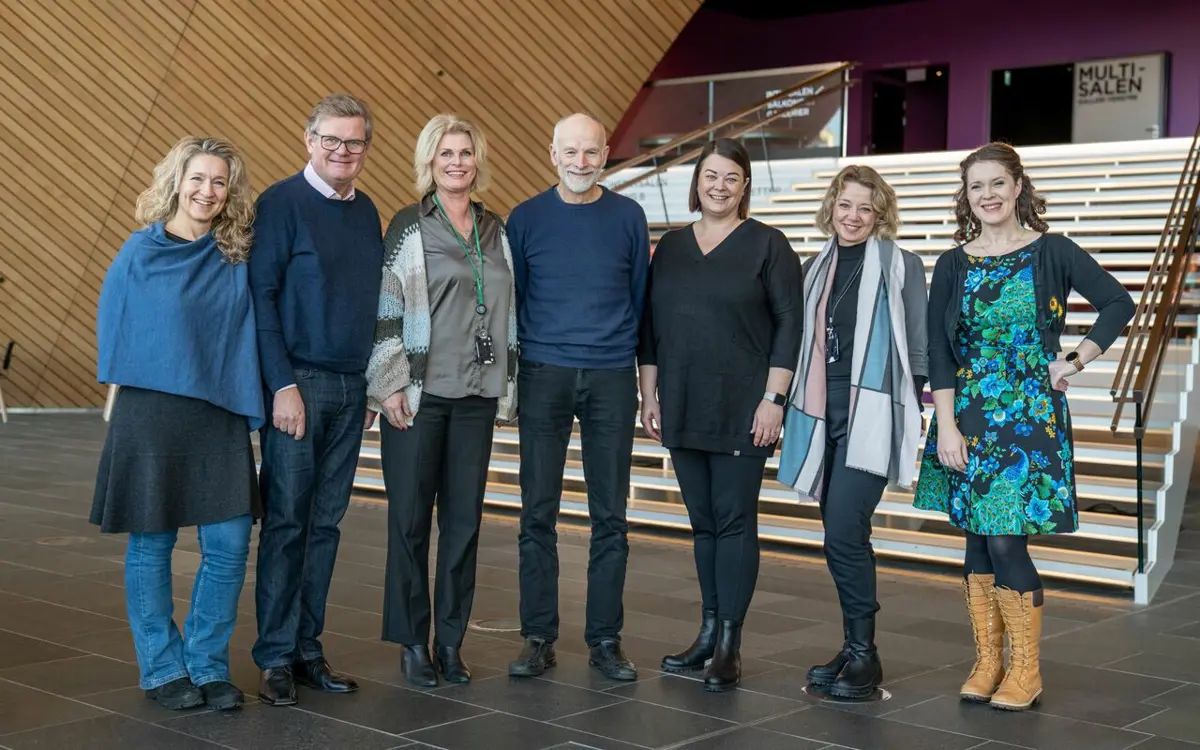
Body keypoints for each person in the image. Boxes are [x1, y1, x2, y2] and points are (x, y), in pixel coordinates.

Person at [914, 142, 1134, 711]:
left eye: (996, 184)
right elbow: (939, 350)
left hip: (1029, 417)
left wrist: (1077, 359)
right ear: (966, 195)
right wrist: (945, 426)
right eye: (975, 186)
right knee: (976, 538)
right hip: (967, 415)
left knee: (1006, 537)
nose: (986, 195)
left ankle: (1026, 671)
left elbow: (1117, 303)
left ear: (1018, 187)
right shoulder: (952, 263)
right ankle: (988, 662)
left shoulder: (1052, 251)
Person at [92, 136, 261, 712]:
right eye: (198, 178)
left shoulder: (235, 252)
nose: (207, 191)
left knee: (230, 543)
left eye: (219, 182)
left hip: (218, 408)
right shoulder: (140, 251)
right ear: (176, 181)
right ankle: (163, 668)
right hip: (153, 410)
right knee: (152, 543)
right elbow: (116, 329)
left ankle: (208, 662)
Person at [638, 138, 802, 692]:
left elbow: (789, 327)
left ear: (745, 185)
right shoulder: (673, 248)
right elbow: (650, 329)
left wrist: (773, 401)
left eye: (732, 177)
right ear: (697, 181)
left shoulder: (768, 245)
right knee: (703, 523)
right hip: (683, 401)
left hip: (743, 406)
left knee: (734, 522)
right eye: (711, 175)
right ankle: (707, 631)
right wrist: (650, 394)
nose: (720, 185)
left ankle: (730, 641)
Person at [366, 114, 518, 687]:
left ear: (478, 161)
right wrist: (389, 385)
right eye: (446, 154)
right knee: (409, 522)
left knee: (464, 523)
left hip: (476, 395)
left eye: (466, 153)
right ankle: (412, 641)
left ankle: (450, 641)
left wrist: (509, 382)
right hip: (418, 397)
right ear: (429, 162)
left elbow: (508, 308)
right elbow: (385, 311)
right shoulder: (409, 225)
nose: (457, 163)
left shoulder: (494, 227)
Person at [248, 92, 385, 706]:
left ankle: (308, 650)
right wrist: (281, 386)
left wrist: (376, 383)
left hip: (353, 388)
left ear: (365, 149)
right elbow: (262, 301)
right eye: (331, 139)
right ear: (309, 140)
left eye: (353, 142)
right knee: (285, 524)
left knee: (325, 525)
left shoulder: (367, 211)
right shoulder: (280, 204)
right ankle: (275, 656)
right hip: (298, 387)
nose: (341, 151)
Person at [505, 113, 650, 681]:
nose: (581, 162)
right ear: (552, 154)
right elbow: (513, 301)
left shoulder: (628, 217)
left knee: (609, 515)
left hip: (613, 374)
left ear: (606, 153)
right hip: (545, 373)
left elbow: (642, 300)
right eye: (571, 152)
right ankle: (538, 636)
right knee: (536, 511)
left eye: (591, 152)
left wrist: (645, 378)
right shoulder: (526, 219)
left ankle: (605, 640)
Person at [776, 165, 928, 700]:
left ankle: (866, 655)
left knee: (843, 531)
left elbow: (917, 345)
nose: (853, 217)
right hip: (822, 414)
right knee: (841, 538)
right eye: (845, 206)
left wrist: (920, 407)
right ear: (831, 209)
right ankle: (853, 645)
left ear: (880, 214)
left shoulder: (903, 266)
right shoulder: (812, 267)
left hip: (874, 416)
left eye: (865, 207)